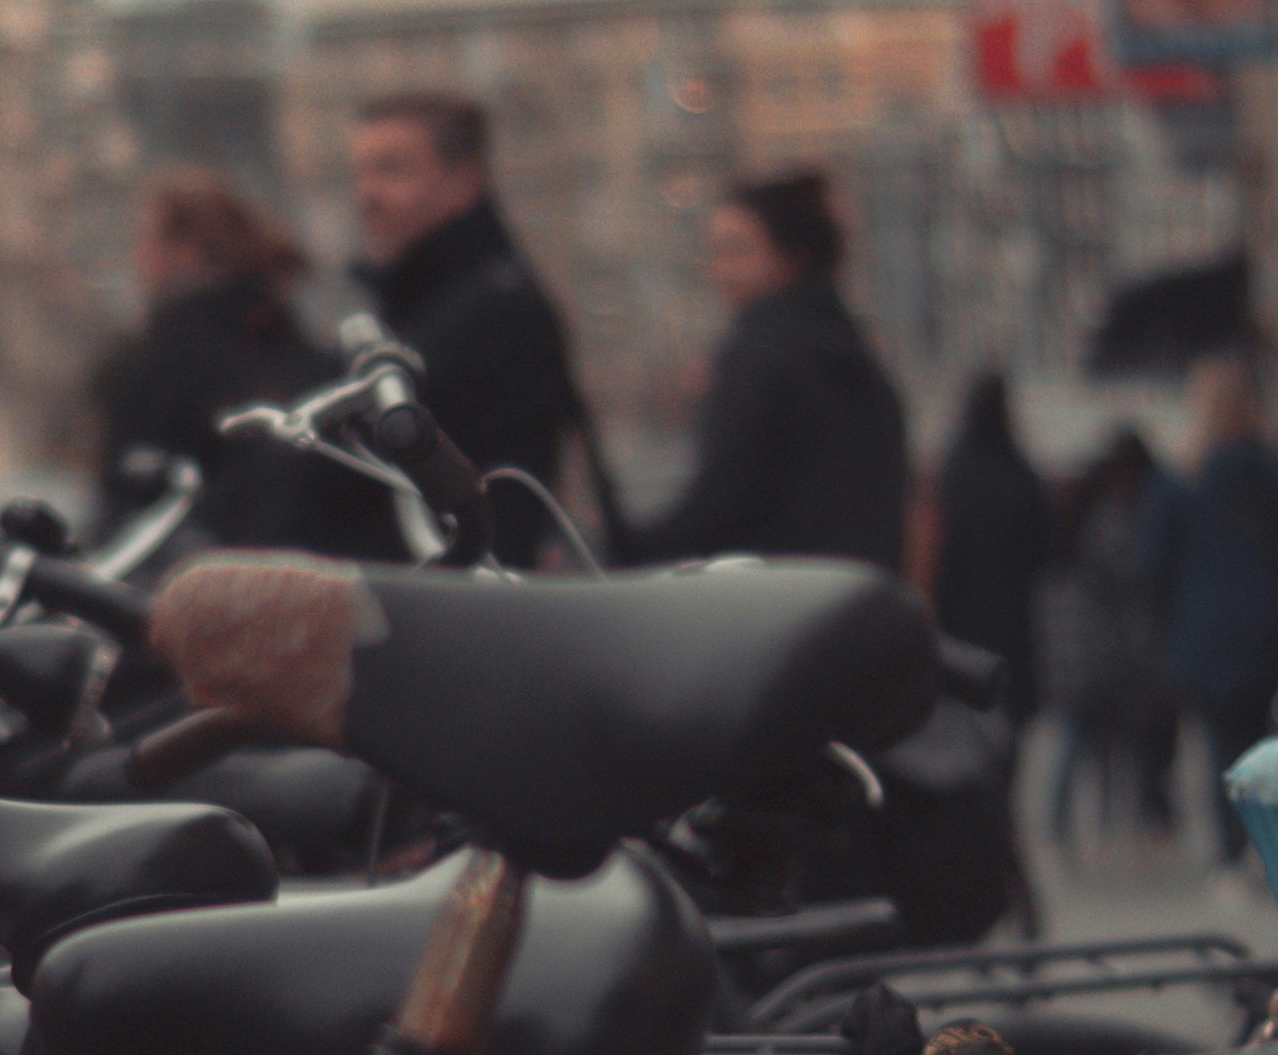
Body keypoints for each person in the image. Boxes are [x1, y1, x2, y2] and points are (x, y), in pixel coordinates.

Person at [622, 172, 910, 571]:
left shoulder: (757, 356)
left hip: (775, 607)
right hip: (856, 603)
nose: (718, 271)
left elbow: (719, 504)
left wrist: (622, 549)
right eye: (714, 253)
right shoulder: (859, 358)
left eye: (736, 251)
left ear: (791, 256)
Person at [345, 92, 600, 510]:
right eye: (360, 173)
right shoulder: (430, 298)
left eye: (392, 170)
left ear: (464, 180)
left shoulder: (492, 313)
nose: (367, 194)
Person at [1144, 351, 1278, 862]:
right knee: (1262, 740)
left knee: (1220, 748)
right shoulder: (1273, 474)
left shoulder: (1180, 481)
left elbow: (1152, 563)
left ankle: (1231, 851)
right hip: (1266, 628)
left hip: (1203, 632)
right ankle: (1258, 846)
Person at [97, 171, 333, 524]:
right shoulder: (286, 335)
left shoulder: (168, 365)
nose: (139, 260)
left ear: (186, 249)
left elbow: (131, 503)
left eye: (145, 242)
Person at [1037, 422, 1174, 849]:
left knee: (1081, 744)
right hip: (1106, 658)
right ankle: (1106, 826)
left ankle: (1064, 828)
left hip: (1074, 659)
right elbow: (1133, 589)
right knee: (1110, 746)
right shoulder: (1115, 524)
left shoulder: (1069, 544)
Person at [932, 366, 1057, 721]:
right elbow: (1043, 553)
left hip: (959, 623)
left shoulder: (952, 475)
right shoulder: (1019, 473)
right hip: (1013, 624)